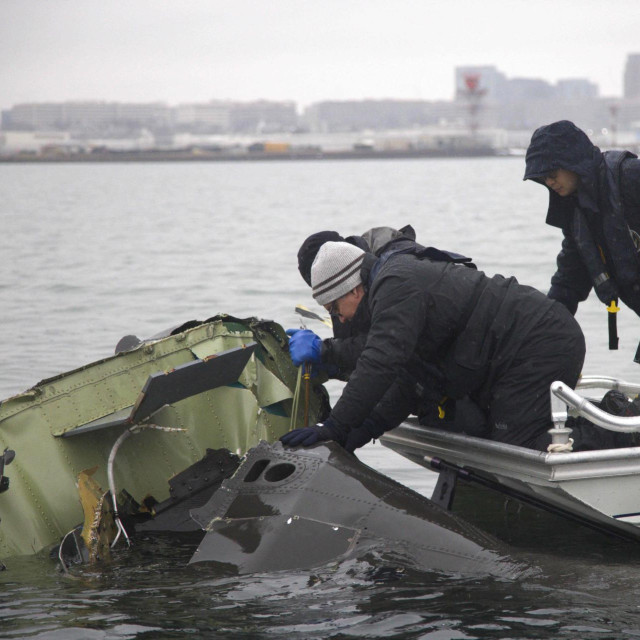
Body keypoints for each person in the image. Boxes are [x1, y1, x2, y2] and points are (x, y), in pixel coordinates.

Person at [281, 241, 586, 454]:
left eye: (335, 308)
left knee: (519, 446)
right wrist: (357, 432)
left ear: (355, 288)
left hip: (540, 342)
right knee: (493, 436)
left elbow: (379, 363)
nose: (339, 318)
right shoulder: (387, 293)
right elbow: (408, 382)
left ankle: (624, 433)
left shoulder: (396, 283)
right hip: (516, 352)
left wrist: (333, 426)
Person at [523, 120, 640, 348]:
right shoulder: (578, 218)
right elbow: (568, 282)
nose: (549, 181)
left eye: (552, 172)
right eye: (542, 178)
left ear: (572, 161)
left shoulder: (630, 177)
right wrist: (541, 337)